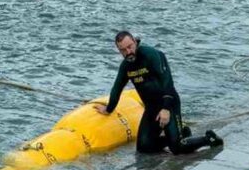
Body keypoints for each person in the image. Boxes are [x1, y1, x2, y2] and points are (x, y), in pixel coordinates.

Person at [94, 31, 223, 154]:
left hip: (169, 103)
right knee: (144, 147)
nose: (128, 52)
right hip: (151, 108)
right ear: (119, 50)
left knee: (177, 148)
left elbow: (167, 81)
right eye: (123, 50)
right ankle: (182, 134)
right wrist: (109, 109)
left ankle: (208, 139)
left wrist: (166, 109)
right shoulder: (126, 66)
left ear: (135, 41)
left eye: (130, 47)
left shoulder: (151, 55)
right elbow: (117, 88)